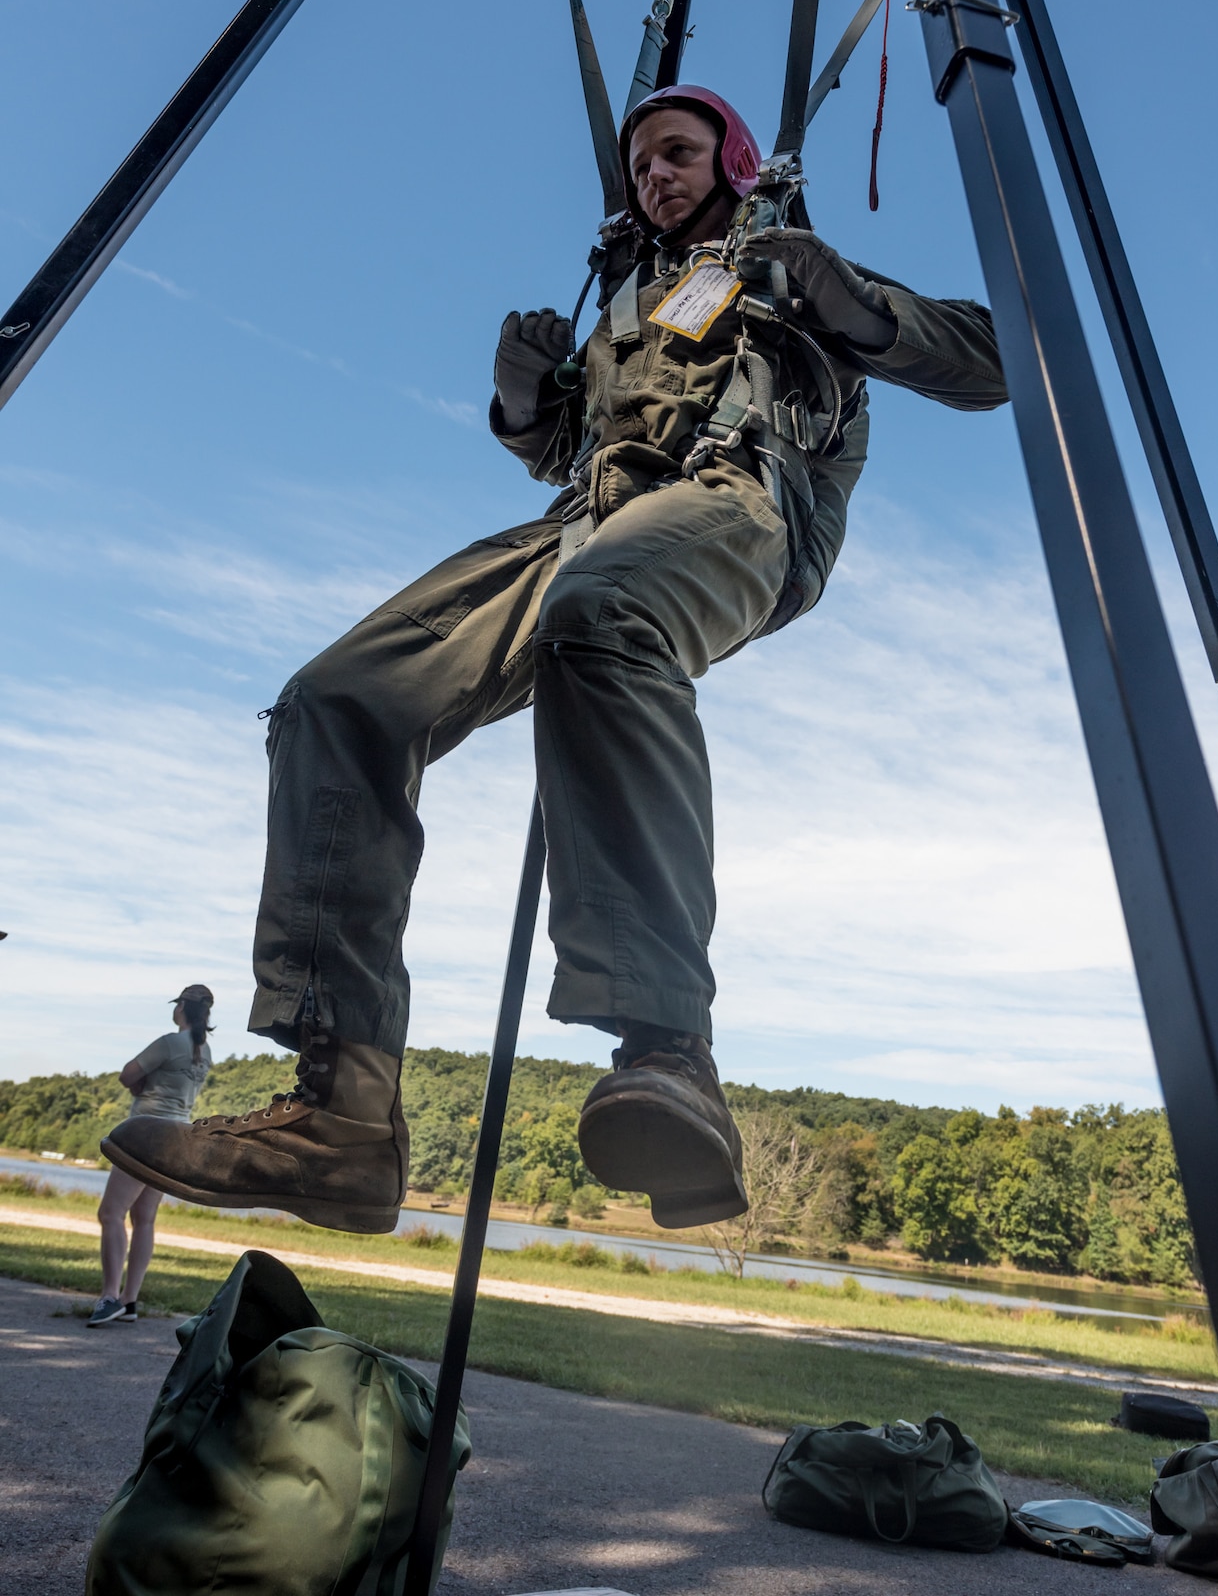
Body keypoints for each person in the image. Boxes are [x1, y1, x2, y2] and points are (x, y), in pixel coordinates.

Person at [103, 87, 1007, 1236]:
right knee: (337, 698)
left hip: (739, 507)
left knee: (603, 611)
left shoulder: (786, 274)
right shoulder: (627, 310)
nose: (656, 177)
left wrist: (847, 294)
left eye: (677, 154)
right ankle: (344, 1110)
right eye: (641, 164)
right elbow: (565, 454)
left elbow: (987, 361)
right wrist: (526, 398)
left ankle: (669, 1046)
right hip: (585, 526)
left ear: (731, 159)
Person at [88, 985, 214, 1325]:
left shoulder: (170, 1042)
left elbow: (127, 1074)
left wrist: (138, 1086)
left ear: (183, 1008)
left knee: (111, 1213)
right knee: (143, 1217)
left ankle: (110, 1296)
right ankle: (130, 1301)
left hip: (147, 1134)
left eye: (177, 1006)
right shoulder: (205, 1052)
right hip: (178, 1137)